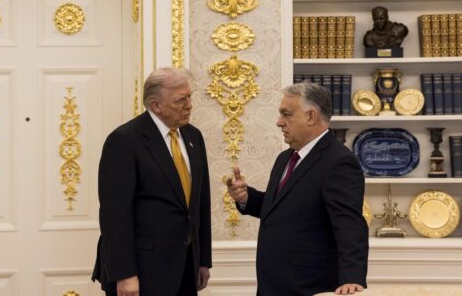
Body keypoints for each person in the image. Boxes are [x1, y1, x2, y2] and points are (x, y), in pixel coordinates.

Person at [226, 82, 368, 296]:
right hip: (272, 284)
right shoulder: (285, 158)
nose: (279, 122)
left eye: (286, 114)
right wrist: (247, 198)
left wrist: (352, 278)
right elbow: (283, 208)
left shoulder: (339, 161)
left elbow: (349, 224)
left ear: (311, 116)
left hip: (308, 286)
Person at [92, 67, 212, 296]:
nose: (189, 105)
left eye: (189, 97)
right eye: (181, 100)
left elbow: (201, 201)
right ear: (156, 105)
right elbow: (114, 215)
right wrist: (125, 274)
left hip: (186, 266)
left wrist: (203, 260)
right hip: (142, 270)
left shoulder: (193, 136)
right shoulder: (125, 140)